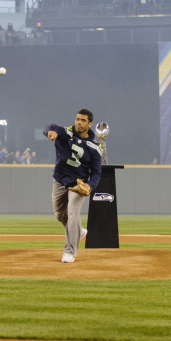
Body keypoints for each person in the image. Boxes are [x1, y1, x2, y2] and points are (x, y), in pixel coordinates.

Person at [44, 109, 102, 263]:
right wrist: (50, 132)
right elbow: (51, 126)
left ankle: (69, 251)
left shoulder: (94, 147)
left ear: (90, 124)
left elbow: (96, 172)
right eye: (77, 119)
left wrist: (89, 186)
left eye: (83, 120)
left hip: (78, 184)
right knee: (59, 215)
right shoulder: (66, 133)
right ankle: (79, 231)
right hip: (59, 180)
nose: (79, 122)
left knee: (72, 215)